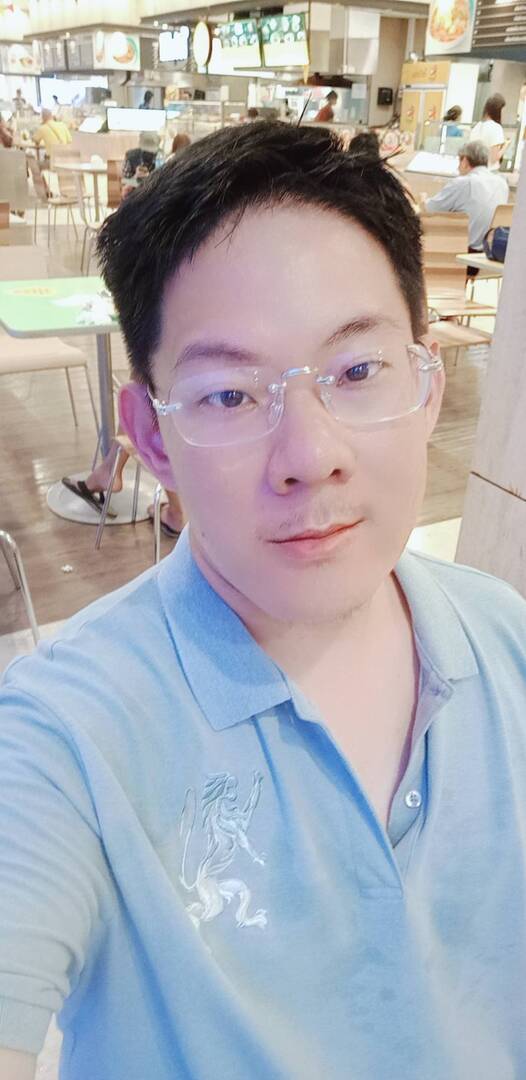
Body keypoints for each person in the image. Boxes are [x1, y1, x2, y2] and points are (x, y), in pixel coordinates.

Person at [1, 121, 526, 1080]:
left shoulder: (507, 639)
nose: (310, 455)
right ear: (149, 439)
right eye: (229, 395)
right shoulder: (64, 736)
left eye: (358, 372)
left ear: (427, 387)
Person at [424, 139, 509, 251]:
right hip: (489, 252)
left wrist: (422, 199)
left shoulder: (464, 183)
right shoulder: (502, 183)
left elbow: (430, 209)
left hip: (462, 252)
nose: (458, 167)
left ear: (464, 161)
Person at [471, 93, 506, 169]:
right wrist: (505, 146)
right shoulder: (496, 128)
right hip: (489, 171)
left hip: (475, 170)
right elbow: (493, 159)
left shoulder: (477, 127)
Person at [121, 131, 161, 195]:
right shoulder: (131, 156)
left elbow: (164, 186)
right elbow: (124, 191)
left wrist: (150, 178)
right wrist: (135, 178)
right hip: (135, 195)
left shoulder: (161, 157)